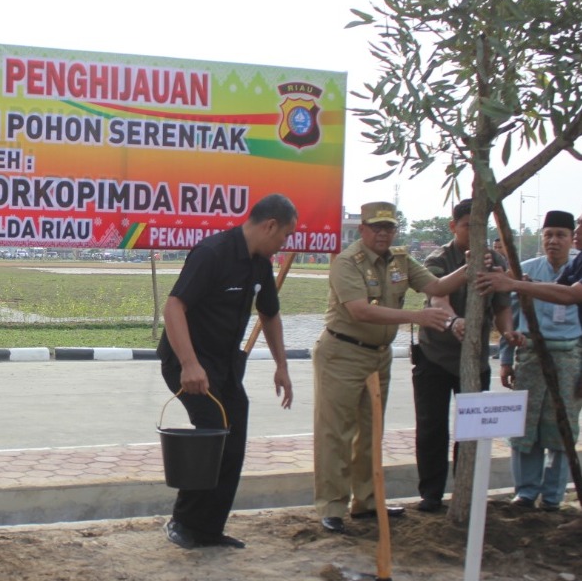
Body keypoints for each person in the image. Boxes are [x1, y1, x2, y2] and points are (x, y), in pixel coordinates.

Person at [313, 201, 474, 535]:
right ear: (362, 229)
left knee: (372, 432)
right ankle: (332, 507)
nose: (383, 233)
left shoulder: (401, 259)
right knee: (335, 433)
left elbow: (437, 287)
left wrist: (470, 266)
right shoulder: (347, 262)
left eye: (389, 227)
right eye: (376, 227)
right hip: (342, 353)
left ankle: (368, 502)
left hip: (378, 356)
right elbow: (360, 311)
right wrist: (416, 317)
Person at [158, 193, 296, 550]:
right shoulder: (213, 253)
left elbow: (269, 313)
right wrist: (189, 364)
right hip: (187, 361)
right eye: (284, 236)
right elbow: (174, 307)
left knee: (233, 441)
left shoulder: (260, 264)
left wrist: (281, 365)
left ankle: (209, 529)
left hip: (225, 366)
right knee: (212, 435)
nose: (284, 244)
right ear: (269, 225)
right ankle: (182, 523)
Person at [412, 200, 519, 512]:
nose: (473, 233)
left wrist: (509, 332)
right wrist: (453, 321)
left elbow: (502, 307)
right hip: (434, 355)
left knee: (472, 430)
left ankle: (466, 490)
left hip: (474, 359)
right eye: (466, 227)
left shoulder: (495, 259)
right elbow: (437, 296)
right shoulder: (440, 258)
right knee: (431, 426)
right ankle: (431, 494)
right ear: (452, 227)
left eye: (479, 228)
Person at [477, 210, 582, 511]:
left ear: (570, 239)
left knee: (562, 428)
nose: (554, 241)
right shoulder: (523, 271)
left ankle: (552, 496)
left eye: (561, 235)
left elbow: (573, 300)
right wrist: (508, 359)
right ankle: (525, 492)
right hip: (531, 355)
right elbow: (512, 317)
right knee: (525, 427)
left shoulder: (576, 270)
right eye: (548, 234)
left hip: (569, 357)